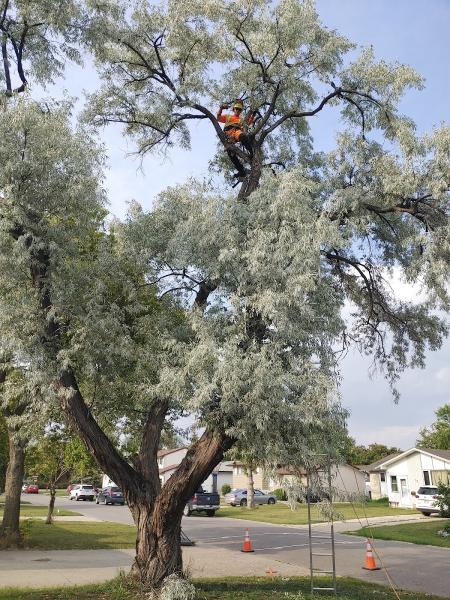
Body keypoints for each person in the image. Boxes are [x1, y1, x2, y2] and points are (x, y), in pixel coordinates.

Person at [216, 99, 256, 177]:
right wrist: (221, 108)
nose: (238, 110)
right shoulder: (228, 116)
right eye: (236, 109)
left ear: (241, 111)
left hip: (236, 133)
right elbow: (218, 118)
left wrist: (253, 115)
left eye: (239, 109)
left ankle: (251, 153)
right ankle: (241, 171)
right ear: (234, 109)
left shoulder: (241, 120)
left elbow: (248, 122)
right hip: (228, 136)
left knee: (243, 136)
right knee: (231, 155)